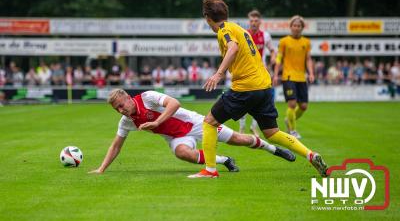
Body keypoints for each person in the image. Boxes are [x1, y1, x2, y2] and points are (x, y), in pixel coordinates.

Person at [190, 0, 328, 178]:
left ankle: (210, 170)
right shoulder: (240, 29)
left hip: (246, 87)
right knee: (272, 132)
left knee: (209, 123)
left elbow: (233, 48)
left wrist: (219, 73)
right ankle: (310, 155)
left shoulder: (224, 30)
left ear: (207, 18)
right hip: (263, 87)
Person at [88, 89, 295, 174]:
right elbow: (116, 144)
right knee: (181, 153)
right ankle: (223, 160)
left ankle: (272, 149)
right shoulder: (126, 121)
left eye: (121, 106)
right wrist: (101, 169)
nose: (121, 111)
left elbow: (174, 103)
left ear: (127, 97)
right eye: (117, 109)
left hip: (195, 123)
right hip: (176, 137)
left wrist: (156, 121)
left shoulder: (148, 97)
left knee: (238, 139)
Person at [273, 15, 314, 139]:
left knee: (303, 106)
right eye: (294, 25)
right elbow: (279, 58)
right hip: (288, 77)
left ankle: (289, 120)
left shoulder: (306, 42)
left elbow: (308, 59)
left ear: (302, 28)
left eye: (299, 26)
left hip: (301, 77)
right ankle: (292, 130)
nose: (296, 28)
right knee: (292, 104)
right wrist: (275, 75)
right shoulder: (284, 41)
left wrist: (311, 73)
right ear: (291, 27)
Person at [239, 10, 276, 137]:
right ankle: (242, 128)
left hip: (260, 71)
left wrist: (273, 57)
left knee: (260, 100)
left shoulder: (265, 35)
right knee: (243, 99)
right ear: (249, 21)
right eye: (251, 21)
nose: (253, 23)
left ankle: (254, 127)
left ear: (260, 22)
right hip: (246, 71)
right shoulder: (243, 34)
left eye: (256, 21)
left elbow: (272, 50)